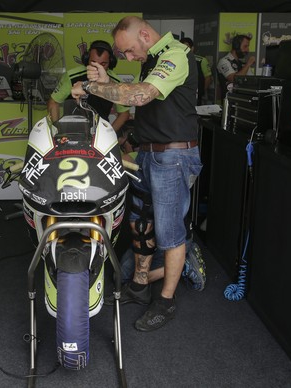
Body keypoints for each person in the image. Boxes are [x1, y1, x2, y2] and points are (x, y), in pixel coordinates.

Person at [72, 16, 202, 332]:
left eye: (129, 50)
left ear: (144, 34)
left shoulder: (176, 54)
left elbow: (140, 96)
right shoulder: (154, 58)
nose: (129, 58)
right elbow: (135, 93)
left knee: (170, 233)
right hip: (148, 153)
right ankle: (141, 286)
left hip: (172, 157)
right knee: (140, 221)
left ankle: (166, 301)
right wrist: (105, 81)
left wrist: (92, 85)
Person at [47, 40, 130, 131]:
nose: (98, 68)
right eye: (93, 63)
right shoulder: (72, 76)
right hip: (71, 130)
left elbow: (124, 113)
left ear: (111, 62)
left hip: (100, 132)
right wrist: (57, 129)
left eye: (103, 64)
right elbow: (53, 102)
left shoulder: (115, 82)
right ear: (86, 60)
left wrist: (110, 133)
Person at [216, 34, 256, 99]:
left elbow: (252, 81)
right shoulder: (224, 61)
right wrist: (248, 64)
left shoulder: (242, 64)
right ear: (236, 46)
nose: (248, 50)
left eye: (248, 47)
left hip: (242, 101)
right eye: (245, 46)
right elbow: (233, 79)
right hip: (229, 102)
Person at [179, 37, 212, 106]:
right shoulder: (176, 61)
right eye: (182, 47)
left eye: (186, 47)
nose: (184, 50)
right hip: (181, 96)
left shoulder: (201, 60)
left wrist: (201, 92)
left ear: (192, 48)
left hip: (196, 96)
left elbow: (208, 78)